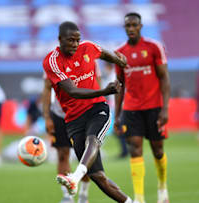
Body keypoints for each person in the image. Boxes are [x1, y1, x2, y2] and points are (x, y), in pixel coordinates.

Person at [43, 21, 134, 203]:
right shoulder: (52, 62)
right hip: (73, 119)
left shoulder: (88, 48)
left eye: (78, 40)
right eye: (71, 41)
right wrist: (104, 91)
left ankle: (75, 179)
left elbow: (104, 53)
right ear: (60, 39)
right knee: (98, 177)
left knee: (92, 140)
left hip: (96, 109)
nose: (75, 45)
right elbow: (72, 91)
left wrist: (119, 60)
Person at [114, 13, 171, 203]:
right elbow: (119, 85)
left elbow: (164, 78)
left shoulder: (154, 47)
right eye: (127, 25)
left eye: (134, 25)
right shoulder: (120, 53)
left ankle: (162, 185)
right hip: (131, 109)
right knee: (135, 150)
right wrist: (117, 115)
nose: (131, 28)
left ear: (141, 26)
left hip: (154, 107)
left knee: (157, 150)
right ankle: (139, 198)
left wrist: (165, 109)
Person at [42, 63, 102, 203]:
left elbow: (98, 84)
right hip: (60, 114)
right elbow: (46, 89)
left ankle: (83, 193)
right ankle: (67, 196)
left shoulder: (89, 59)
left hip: (84, 114)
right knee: (62, 154)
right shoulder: (52, 63)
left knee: (84, 156)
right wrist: (46, 117)